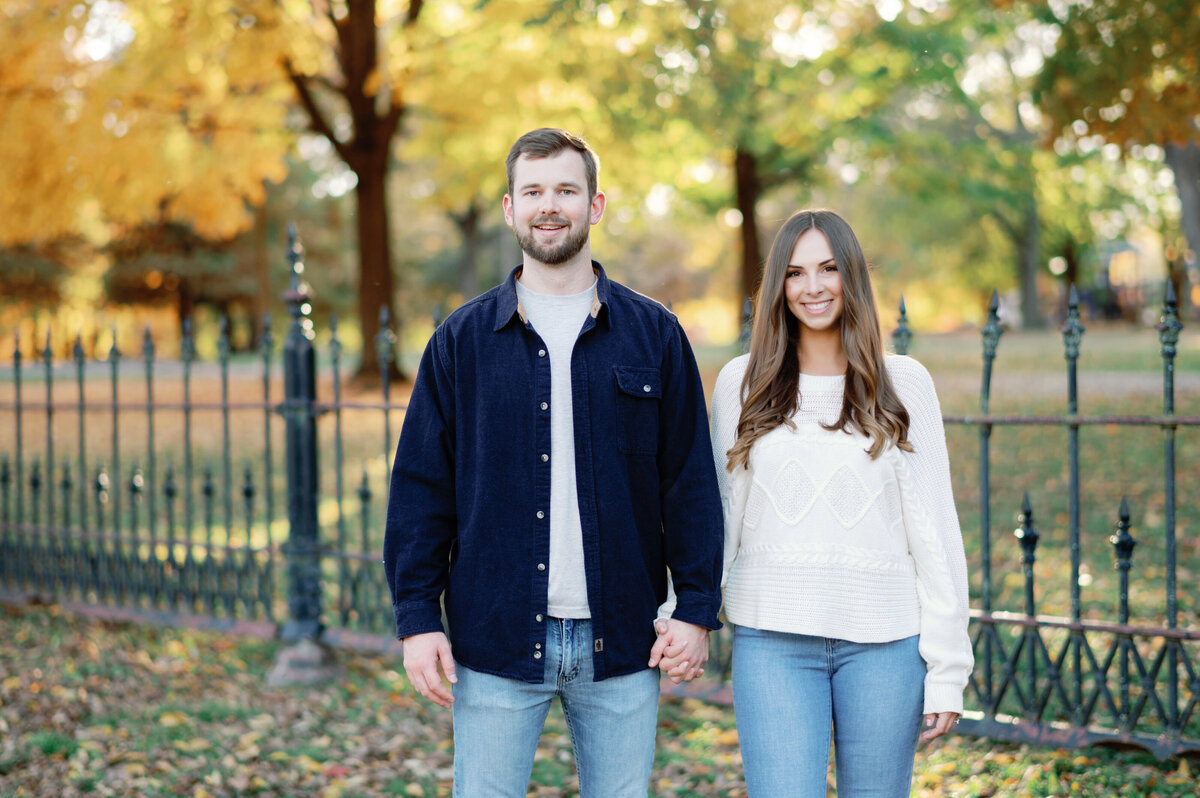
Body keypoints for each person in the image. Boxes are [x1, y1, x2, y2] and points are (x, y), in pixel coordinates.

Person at [383, 128, 724, 797]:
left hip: (623, 639)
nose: (550, 205)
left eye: (566, 190)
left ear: (595, 205)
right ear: (509, 209)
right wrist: (418, 618)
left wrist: (696, 608)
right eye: (533, 191)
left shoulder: (653, 333)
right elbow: (422, 489)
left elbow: (689, 480)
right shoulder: (461, 342)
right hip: (495, 639)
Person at [710, 209, 973, 796]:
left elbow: (936, 531)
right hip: (772, 639)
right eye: (796, 273)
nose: (813, 287)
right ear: (778, 285)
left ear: (851, 277)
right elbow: (720, 516)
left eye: (828, 268)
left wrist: (949, 668)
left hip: (886, 645)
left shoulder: (904, 383)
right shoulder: (741, 383)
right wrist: (688, 612)